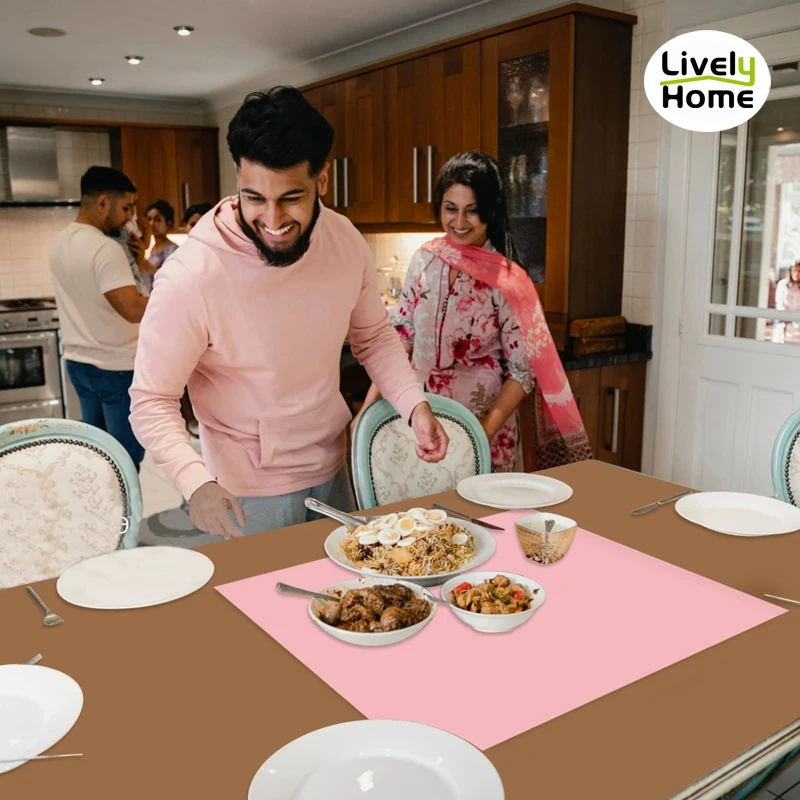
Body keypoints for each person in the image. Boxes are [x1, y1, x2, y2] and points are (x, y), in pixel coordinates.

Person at [129, 87, 449, 540]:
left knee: (344, 583)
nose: (273, 220)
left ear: (323, 180)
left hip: (335, 467)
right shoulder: (191, 276)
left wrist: (414, 405)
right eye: (254, 197)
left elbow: (375, 338)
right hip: (244, 489)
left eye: (291, 198)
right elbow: (151, 400)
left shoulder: (344, 240)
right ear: (237, 177)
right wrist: (194, 480)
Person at [355, 151, 591, 471]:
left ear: (491, 210)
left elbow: (522, 373)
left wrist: (480, 434)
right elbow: (400, 340)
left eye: (473, 211)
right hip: (419, 425)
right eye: (451, 208)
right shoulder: (424, 260)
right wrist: (366, 413)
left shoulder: (509, 281)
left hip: (484, 432)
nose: (459, 222)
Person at [50, 166, 149, 470]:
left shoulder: (60, 242)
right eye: (126, 207)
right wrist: (175, 297)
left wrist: (141, 259)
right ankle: (124, 504)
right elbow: (132, 310)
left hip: (78, 364)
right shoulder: (105, 248)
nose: (129, 218)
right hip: (115, 367)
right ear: (103, 202)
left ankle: (103, 502)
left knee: (97, 457)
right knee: (124, 460)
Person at [137, 200, 179, 293]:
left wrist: (147, 265)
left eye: (157, 220)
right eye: (149, 219)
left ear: (168, 224)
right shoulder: (153, 249)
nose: (151, 224)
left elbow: (172, 280)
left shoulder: (173, 250)